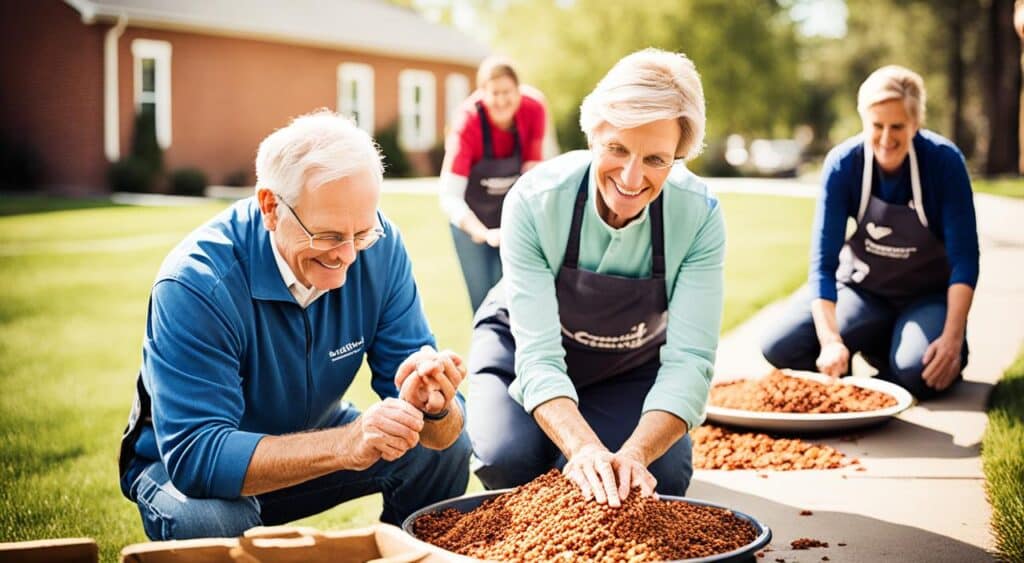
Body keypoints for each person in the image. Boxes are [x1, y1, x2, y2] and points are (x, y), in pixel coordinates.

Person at [117, 110, 472, 540]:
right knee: (209, 522)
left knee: (444, 450)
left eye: (360, 234)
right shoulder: (196, 283)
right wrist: (344, 445)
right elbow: (198, 457)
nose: (347, 258)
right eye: (326, 236)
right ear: (271, 207)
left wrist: (434, 407)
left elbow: (440, 430)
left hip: (313, 432)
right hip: (181, 469)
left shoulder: (381, 246)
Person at [466, 49, 724, 507]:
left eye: (656, 159)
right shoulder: (535, 200)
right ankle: (543, 438)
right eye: (618, 149)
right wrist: (582, 448)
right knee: (508, 457)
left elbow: (690, 360)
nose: (631, 178)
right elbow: (540, 358)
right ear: (593, 134)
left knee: (663, 470)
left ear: (680, 155)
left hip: (626, 364)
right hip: (519, 350)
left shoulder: (699, 215)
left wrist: (637, 452)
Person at [761, 65, 979, 399]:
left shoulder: (944, 162)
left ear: (916, 123)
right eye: (877, 126)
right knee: (780, 346)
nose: (886, 138)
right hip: (862, 291)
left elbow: (965, 259)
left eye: (898, 127)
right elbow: (823, 263)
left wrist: (950, 338)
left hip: (927, 297)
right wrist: (831, 340)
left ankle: (904, 352)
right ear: (864, 120)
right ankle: (872, 352)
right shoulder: (843, 164)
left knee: (917, 371)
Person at [438, 56, 548, 312]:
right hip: (469, 221)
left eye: (507, 92)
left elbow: (531, 178)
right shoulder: (467, 123)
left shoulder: (533, 109)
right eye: (494, 93)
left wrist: (520, 226)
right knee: (482, 303)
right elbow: (449, 196)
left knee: (514, 299)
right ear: (482, 94)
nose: (501, 101)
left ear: (518, 91)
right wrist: (483, 233)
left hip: (511, 217)